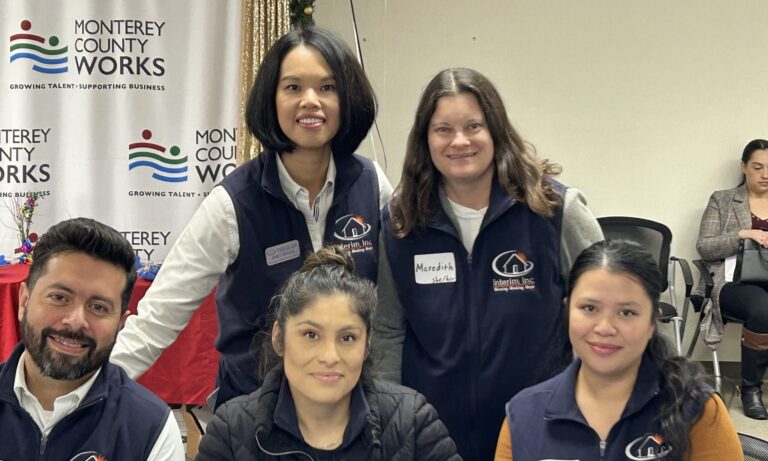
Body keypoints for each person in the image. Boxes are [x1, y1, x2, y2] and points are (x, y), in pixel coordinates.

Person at [111, 26, 393, 407]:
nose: (311, 101)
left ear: (347, 98)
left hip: (350, 407)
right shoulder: (232, 203)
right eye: (293, 88)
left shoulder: (371, 184)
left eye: (327, 87)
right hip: (253, 413)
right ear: (270, 100)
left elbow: (396, 308)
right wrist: (89, 393)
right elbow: (158, 316)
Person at [373, 67, 603, 461]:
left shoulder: (554, 210)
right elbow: (389, 330)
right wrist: (390, 422)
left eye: (473, 126)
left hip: (541, 428)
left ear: (496, 131)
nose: (459, 141)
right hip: (432, 435)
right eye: (443, 129)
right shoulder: (401, 222)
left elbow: (606, 316)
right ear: (425, 139)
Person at [195, 246, 460, 460]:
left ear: (366, 345)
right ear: (279, 337)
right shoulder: (231, 431)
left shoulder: (413, 422)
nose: (330, 356)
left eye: (347, 338)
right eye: (311, 335)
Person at [495, 240, 743, 461]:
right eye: (589, 308)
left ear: (651, 323)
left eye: (627, 313)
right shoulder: (524, 414)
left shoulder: (696, 408)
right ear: (568, 310)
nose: (604, 328)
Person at [0, 218, 184, 460]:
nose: (76, 321)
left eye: (98, 307)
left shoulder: (151, 428)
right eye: (59, 297)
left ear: (120, 324)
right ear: (24, 301)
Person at [696, 138, 768, 420]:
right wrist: (742, 236)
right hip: (734, 281)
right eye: (758, 167)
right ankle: (750, 389)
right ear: (744, 167)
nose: (765, 174)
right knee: (763, 309)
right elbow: (704, 246)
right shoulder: (723, 200)